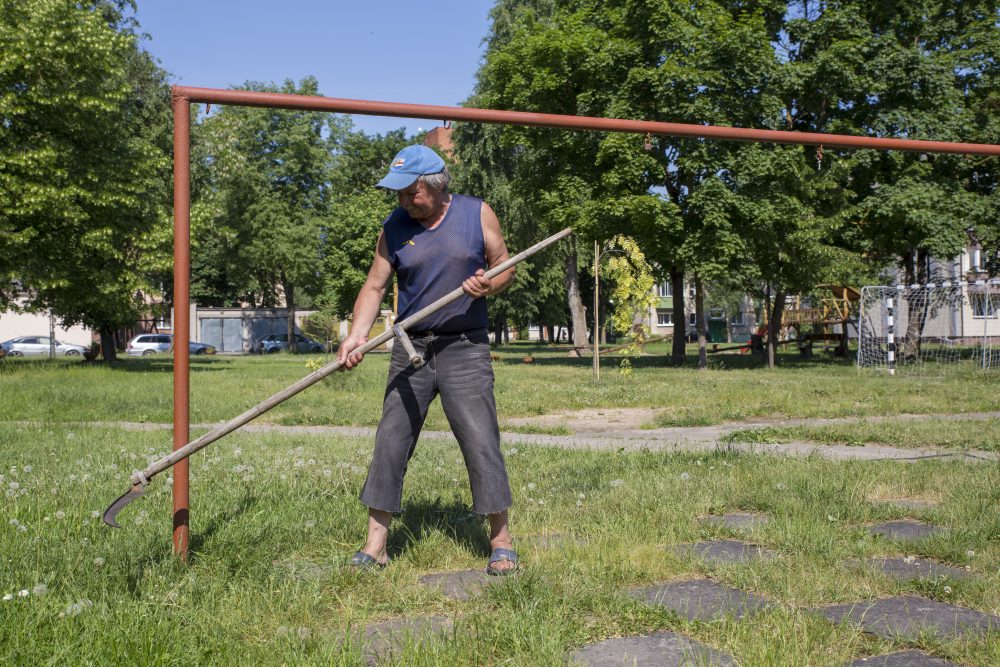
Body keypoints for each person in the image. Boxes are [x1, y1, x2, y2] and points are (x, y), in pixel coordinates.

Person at [336, 144, 518, 575]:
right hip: (411, 345)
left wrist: (489, 285)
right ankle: (376, 545)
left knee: (480, 439)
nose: (402, 201)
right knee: (391, 440)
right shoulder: (394, 227)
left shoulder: (476, 214)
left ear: (436, 186)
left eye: (410, 192)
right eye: (398, 193)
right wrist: (358, 335)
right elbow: (375, 286)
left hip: (464, 346)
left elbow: (506, 266)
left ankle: (501, 541)